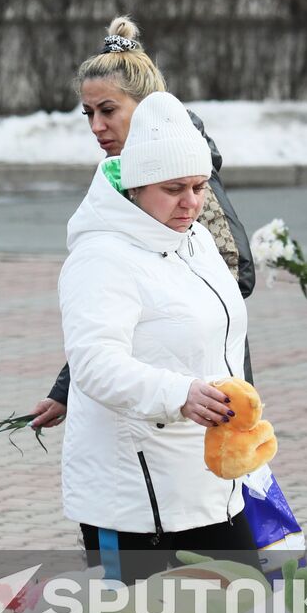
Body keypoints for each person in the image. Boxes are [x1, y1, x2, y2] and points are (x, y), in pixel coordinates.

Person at [59, 91, 256, 583]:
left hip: (211, 481)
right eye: (173, 188)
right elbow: (94, 363)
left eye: (199, 186)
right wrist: (179, 394)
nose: (191, 202)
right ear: (136, 186)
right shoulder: (101, 256)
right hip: (134, 496)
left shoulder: (197, 240)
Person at [31, 17, 255, 431]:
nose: (97, 126)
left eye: (109, 110)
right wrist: (68, 387)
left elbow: (236, 269)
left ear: (149, 104)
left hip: (206, 383)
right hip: (154, 397)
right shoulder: (120, 175)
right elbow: (109, 312)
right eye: (89, 113)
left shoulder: (182, 170)